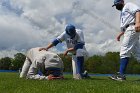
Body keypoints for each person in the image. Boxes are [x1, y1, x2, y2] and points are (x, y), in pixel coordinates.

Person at [110, 0, 140, 81]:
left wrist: (138, 22)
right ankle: (121, 74)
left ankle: (121, 75)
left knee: (124, 51)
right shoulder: (123, 11)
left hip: (132, 28)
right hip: (128, 29)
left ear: (122, 1)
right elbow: (125, 25)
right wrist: (120, 34)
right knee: (138, 54)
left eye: (117, 4)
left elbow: (137, 11)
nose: (116, 6)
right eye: (115, 5)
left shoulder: (128, 5)